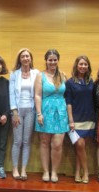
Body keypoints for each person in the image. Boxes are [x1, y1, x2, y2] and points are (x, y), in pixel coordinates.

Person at [34, 49, 69, 183]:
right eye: (50, 59)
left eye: (55, 59)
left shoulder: (63, 75)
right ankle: (46, 172)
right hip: (45, 111)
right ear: (46, 61)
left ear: (57, 60)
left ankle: (54, 171)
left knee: (57, 144)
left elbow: (67, 95)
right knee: (44, 142)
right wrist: (39, 113)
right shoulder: (40, 76)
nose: (52, 62)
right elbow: (37, 95)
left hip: (61, 112)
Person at [9, 48, 39, 181]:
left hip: (31, 110)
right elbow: (11, 94)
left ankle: (23, 169)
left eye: (27, 56)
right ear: (19, 59)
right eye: (23, 56)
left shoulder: (36, 73)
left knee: (27, 141)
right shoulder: (14, 74)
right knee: (17, 141)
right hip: (18, 111)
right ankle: (15, 168)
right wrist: (14, 111)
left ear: (31, 58)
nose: (25, 58)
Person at [65, 55, 95, 184]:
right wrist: (71, 120)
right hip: (75, 120)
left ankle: (77, 172)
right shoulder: (70, 82)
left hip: (89, 119)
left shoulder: (91, 82)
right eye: (81, 64)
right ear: (76, 66)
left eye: (85, 64)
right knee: (80, 145)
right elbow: (68, 102)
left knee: (80, 148)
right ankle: (86, 172)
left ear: (88, 67)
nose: (83, 66)